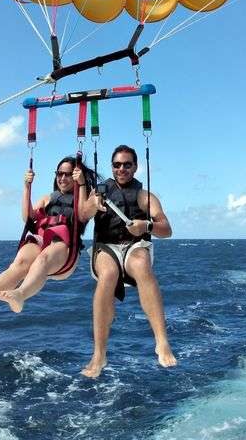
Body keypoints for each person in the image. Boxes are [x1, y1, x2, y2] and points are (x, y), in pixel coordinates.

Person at [80, 144, 177, 377]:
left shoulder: (145, 197)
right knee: (108, 274)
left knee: (141, 263)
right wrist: (92, 205)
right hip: (106, 248)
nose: (121, 169)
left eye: (127, 165)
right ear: (111, 166)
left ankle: (162, 342)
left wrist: (146, 226)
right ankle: (99, 353)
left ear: (135, 167)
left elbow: (167, 230)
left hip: (135, 247)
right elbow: (82, 216)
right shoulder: (99, 193)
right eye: (117, 165)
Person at [0, 156, 93, 314]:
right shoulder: (47, 199)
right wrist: (27, 186)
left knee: (43, 259)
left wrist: (81, 184)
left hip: (64, 248)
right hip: (42, 240)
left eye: (68, 174)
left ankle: (20, 295)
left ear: (76, 175)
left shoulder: (85, 199)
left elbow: (83, 214)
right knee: (20, 263)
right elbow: (27, 218)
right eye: (59, 173)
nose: (62, 178)